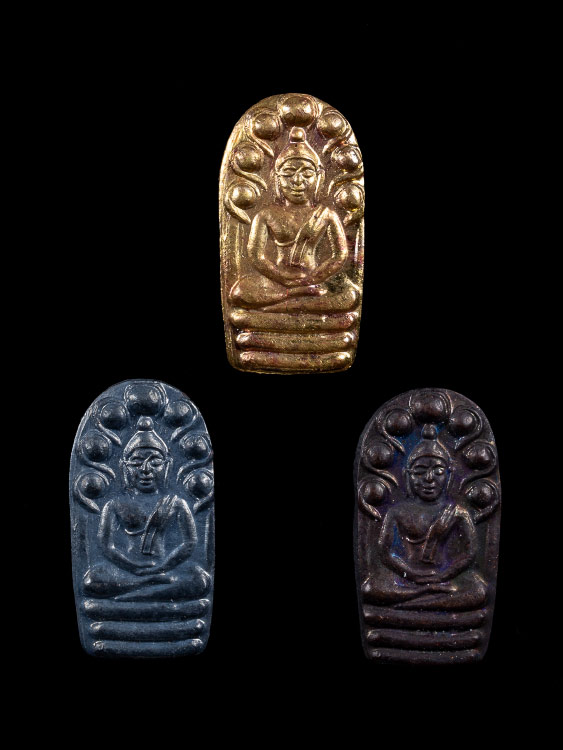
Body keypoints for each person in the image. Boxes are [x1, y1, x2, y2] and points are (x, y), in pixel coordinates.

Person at [230, 126, 359, 314]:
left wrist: (314, 278)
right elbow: (256, 255)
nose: (297, 181)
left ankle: (277, 308)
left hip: (314, 281)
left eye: (306, 174)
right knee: (240, 292)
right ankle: (293, 297)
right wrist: (281, 277)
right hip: (278, 283)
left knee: (349, 295)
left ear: (319, 177)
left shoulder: (326, 214)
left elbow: (340, 255)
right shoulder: (266, 214)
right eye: (289, 173)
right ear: (276, 177)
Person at [83, 416, 209, 602]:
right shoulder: (114, 504)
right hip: (127, 571)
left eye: (155, 462)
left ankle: (131, 596)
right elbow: (106, 545)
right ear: (124, 466)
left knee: (200, 579)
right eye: (136, 462)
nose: (145, 469)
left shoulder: (176, 503)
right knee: (92, 580)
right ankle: (151, 587)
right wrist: (132, 567)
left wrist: (163, 566)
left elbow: (189, 543)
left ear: (167, 465)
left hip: (166, 569)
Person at [362, 427, 486, 610]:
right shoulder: (397, 511)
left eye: (438, 471)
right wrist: (412, 575)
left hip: (446, 579)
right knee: (370, 588)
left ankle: (408, 605)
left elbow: (470, 553)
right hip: (407, 579)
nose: (429, 478)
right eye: (420, 471)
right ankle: (426, 595)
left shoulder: (458, 512)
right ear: (408, 475)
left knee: (479, 590)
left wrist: (443, 576)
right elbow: (385, 552)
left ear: (449, 475)